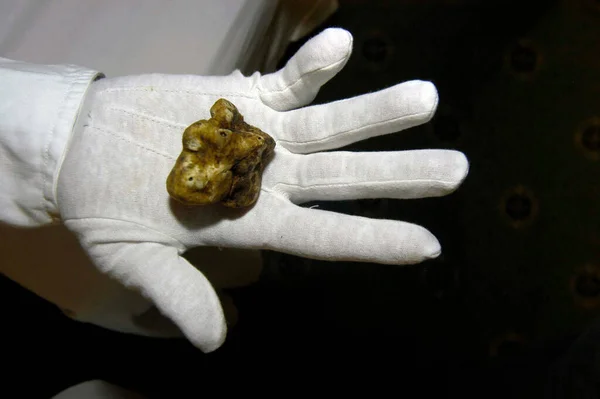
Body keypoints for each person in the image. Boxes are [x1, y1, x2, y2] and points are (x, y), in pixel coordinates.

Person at [0, 28, 469, 353]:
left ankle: (242, 277)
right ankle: (220, 289)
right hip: (31, 213)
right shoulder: (200, 167)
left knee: (229, 253)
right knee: (101, 293)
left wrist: (62, 121)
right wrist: (61, 148)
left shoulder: (231, 145)